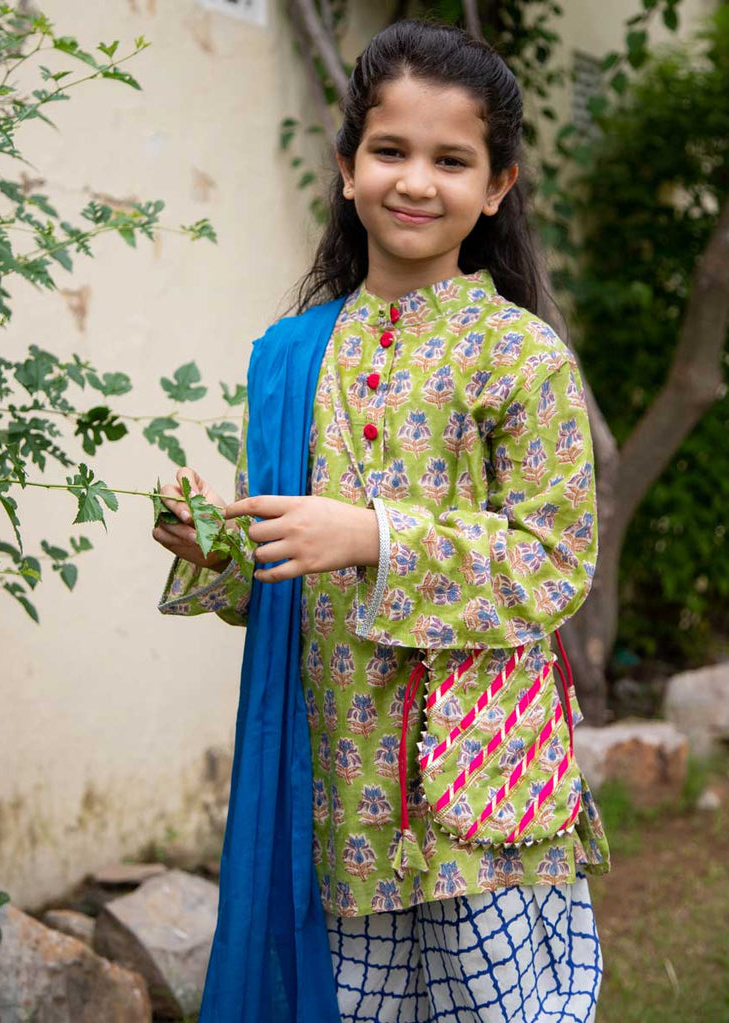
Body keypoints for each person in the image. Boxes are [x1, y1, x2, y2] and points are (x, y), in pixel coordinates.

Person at [153, 18, 610, 1023]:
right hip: (340, 787)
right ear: (346, 167)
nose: (414, 181)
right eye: (390, 150)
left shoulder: (518, 354)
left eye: (450, 160)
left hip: (482, 783)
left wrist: (376, 537)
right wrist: (216, 551)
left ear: (495, 186)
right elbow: (274, 574)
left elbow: (553, 561)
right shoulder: (289, 356)